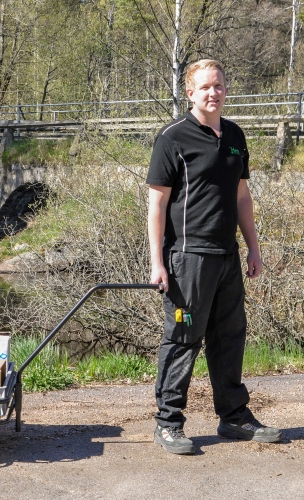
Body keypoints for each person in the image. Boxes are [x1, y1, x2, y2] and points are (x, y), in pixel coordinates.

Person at [146, 59, 281, 455]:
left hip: (227, 257)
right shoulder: (173, 138)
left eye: (219, 86)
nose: (213, 93)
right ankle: (168, 423)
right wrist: (158, 262)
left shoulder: (236, 136)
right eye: (205, 87)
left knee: (229, 338)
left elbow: (242, 197)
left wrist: (254, 247)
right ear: (190, 92)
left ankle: (234, 417)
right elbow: (156, 204)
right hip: (188, 258)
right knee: (183, 338)